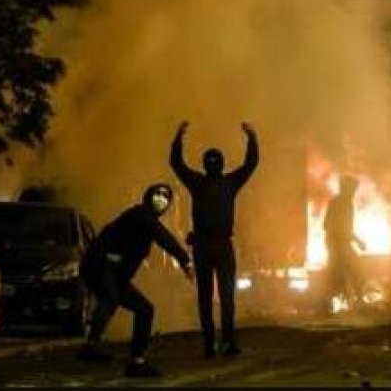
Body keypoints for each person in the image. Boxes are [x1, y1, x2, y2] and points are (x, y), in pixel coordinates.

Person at [78, 183, 194, 378]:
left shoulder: (147, 226)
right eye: (157, 194)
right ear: (148, 196)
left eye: (166, 197)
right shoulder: (140, 214)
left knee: (145, 309)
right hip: (98, 266)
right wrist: (185, 261)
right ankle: (91, 346)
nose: (161, 199)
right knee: (111, 298)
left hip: (114, 275)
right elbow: (163, 237)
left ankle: (136, 361)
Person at [170, 120, 259, 358]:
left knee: (207, 298)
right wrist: (252, 138)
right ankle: (226, 342)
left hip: (205, 246)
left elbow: (176, 164)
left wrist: (179, 137)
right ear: (221, 165)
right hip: (219, 245)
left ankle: (211, 344)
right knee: (225, 297)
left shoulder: (199, 182)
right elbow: (251, 164)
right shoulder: (229, 182)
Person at [323, 175, 366, 312]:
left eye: (354, 189)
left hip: (342, 244)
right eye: (352, 189)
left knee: (349, 271)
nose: (354, 192)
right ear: (345, 188)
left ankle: (354, 301)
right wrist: (346, 240)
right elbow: (328, 225)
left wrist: (356, 239)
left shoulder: (345, 203)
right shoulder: (339, 203)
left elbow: (346, 228)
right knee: (349, 271)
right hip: (338, 244)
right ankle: (353, 302)